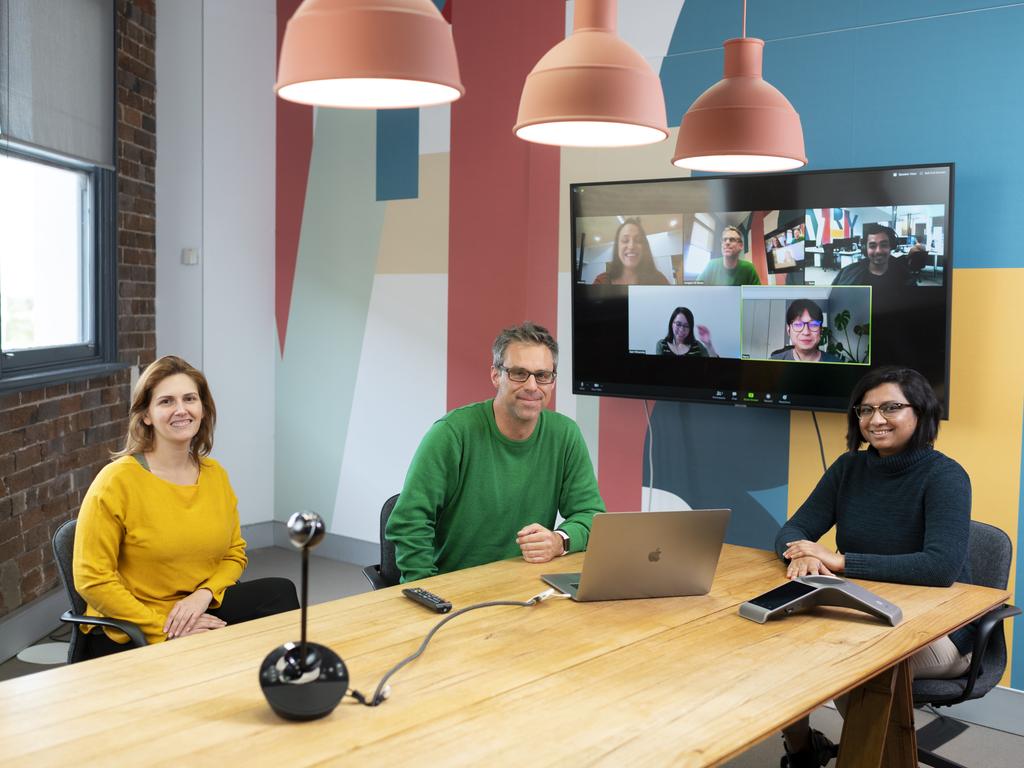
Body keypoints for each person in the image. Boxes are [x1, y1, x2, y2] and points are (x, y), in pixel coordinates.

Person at [773, 367, 972, 767]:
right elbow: (793, 529)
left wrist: (841, 560)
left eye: (891, 407)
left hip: (940, 630)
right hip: (863, 611)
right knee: (780, 645)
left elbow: (939, 568)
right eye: (865, 410)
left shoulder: (945, 476)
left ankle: (874, 758)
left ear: (921, 413)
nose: (875, 420)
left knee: (853, 671)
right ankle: (802, 750)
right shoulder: (849, 469)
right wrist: (805, 552)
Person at [74, 356, 298, 659]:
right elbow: (92, 579)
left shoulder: (214, 474)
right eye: (166, 401)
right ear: (146, 415)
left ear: (202, 409)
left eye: (189, 399)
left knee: (279, 593)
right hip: (134, 624)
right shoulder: (116, 481)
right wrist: (163, 626)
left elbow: (234, 553)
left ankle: (276, 685)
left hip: (195, 607)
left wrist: (202, 597)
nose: (181, 410)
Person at [385, 322, 606, 583]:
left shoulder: (565, 434)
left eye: (543, 375)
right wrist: (425, 590)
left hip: (526, 585)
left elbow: (591, 516)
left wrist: (560, 540)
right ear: (495, 375)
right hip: (454, 589)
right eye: (519, 373)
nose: (533, 386)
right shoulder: (452, 433)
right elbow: (410, 520)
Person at [832, 224, 915, 289]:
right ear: (865, 249)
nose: (878, 251)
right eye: (872, 246)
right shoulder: (847, 273)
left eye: (884, 245)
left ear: (891, 246)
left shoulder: (905, 277)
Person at [593, 218, 670, 285]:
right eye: (625, 240)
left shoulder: (659, 280)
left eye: (638, 240)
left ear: (644, 247)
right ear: (617, 247)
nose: (631, 246)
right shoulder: (602, 281)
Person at [770, 299, 841, 363]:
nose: (806, 332)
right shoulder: (773, 362)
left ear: (821, 330)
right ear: (788, 330)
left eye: (813, 325)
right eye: (798, 325)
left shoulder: (837, 363)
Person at [697, 225, 761, 286]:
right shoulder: (711, 265)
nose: (727, 242)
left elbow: (758, 294)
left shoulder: (749, 268)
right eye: (724, 240)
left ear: (740, 246)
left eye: (732, 240)